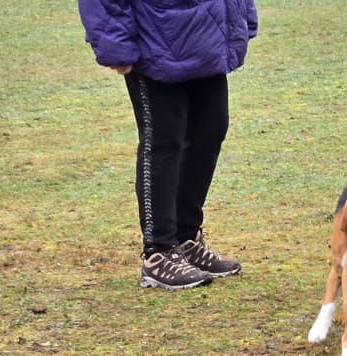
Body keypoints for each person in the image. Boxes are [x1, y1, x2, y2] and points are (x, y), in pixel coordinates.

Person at [78, 0, 257, 289]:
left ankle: (186, 239)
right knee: (164, 140)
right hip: (154, 39)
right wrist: (115, 43)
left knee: (210, 129)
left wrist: (240, 15)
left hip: (208, 35)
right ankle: (158, 252)